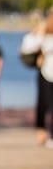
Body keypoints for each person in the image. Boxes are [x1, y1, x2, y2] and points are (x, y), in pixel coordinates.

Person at [20, 10, 53, 147]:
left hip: (47, 72)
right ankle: (43, 132)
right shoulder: (42, 33)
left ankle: (46, 132)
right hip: (46, 73)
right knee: (44, 104)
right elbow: (27, 46)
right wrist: (40, 32)